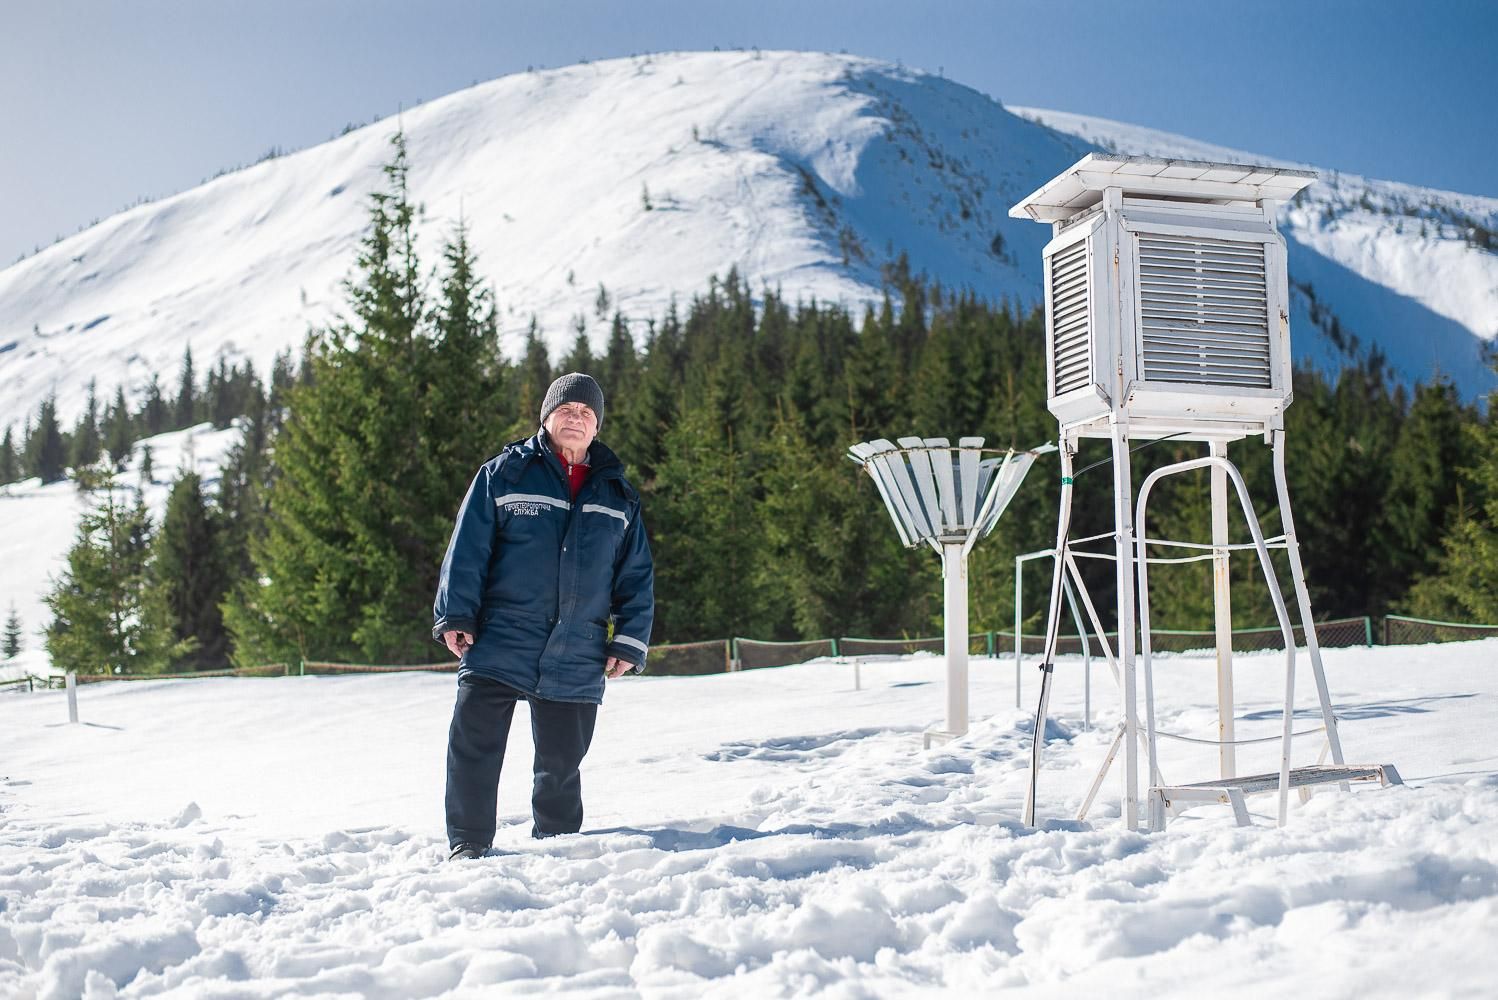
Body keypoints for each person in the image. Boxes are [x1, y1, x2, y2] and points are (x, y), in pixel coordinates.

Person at [433, 372, 654, 861]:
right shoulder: (504, 474)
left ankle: (557, 845)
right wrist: (455, 614)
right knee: (474, 747)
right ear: (546, 417)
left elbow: (635, 575)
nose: (575, 418)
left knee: (561, 763)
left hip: (578, 649)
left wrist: (629, 640)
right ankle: (468, 843)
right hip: (498, 640)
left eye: (586, 413)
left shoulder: (618, 495)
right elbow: (468, 548)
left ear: (597, 427)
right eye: (566, 410)